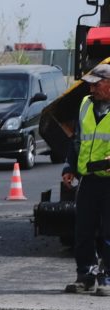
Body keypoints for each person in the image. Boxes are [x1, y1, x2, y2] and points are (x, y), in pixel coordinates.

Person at [65, 62, 110, 295]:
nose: (91, 90)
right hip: (89, 179)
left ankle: (107, 277)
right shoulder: (85, 105)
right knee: (83, 230)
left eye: (96, 85)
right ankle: (85, 275)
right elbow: (76, 140)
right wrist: (69, 167)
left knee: (108, 232)